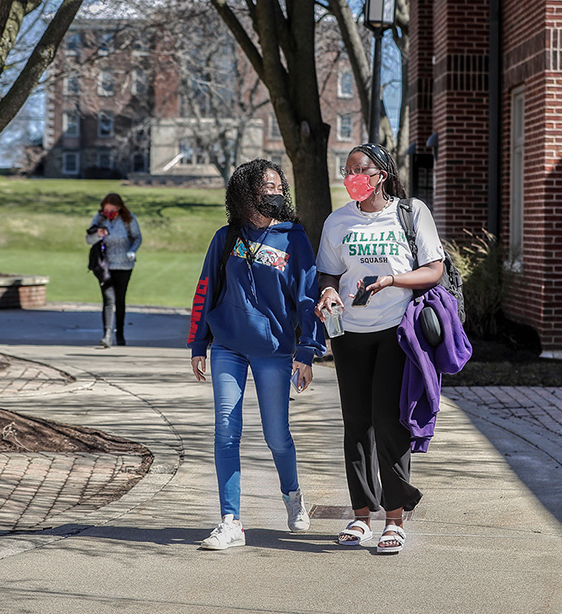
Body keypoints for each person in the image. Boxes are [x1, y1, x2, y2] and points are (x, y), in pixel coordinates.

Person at [187, 159, 326, 550]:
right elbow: (205, 289)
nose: (276, 191)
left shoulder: (293, 238)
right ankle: (231, 521)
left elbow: (308, 298)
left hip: (274, 349)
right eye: (268, 185)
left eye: (280, 185)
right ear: (247, 192)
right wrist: (198, 343)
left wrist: (308, 350)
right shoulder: (227, 236)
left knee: (276, 435)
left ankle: (292, 494)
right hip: (228, 346)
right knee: (226, 432)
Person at [315, 143, 445, 555]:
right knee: (356, 423)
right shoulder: (337, 222)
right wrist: (329, 294)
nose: (351, 176)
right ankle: (360, 515)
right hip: (348, 333)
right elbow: (327, 274)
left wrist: (392, 281)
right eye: (347, 170)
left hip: (395, 331)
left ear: (380, 175)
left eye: (359, 169)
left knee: (389, 423)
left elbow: (434, 269)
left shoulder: (411, 213)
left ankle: (394, 519)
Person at [85, 193, 142, 348]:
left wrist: (132, 251)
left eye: (112, 209)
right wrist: (97, 235)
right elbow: (88, 239)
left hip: (124, 265)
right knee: (108, 300)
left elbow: (137, 238)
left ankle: (120, 334)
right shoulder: (99, 218)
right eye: (106, 209)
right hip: (105, 266)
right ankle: (107, 335)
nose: (109, 212)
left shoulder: (128, 219)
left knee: (120, 300)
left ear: (119, 208)